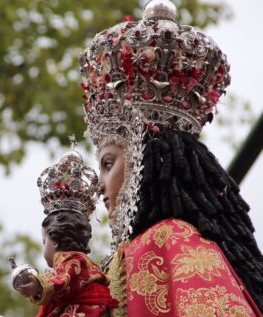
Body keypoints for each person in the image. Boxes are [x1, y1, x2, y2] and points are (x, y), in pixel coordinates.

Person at [79, 0, 263, 316]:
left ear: (142, 159)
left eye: (109, 164)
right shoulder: (116, 264)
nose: (99, 185)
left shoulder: (171, 239)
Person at [14, 138, 118, 316]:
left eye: (44, 240)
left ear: (54, 240)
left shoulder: (74, 261)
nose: (43, 247)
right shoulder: (78, 261)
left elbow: (63, 280)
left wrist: (38, 286)